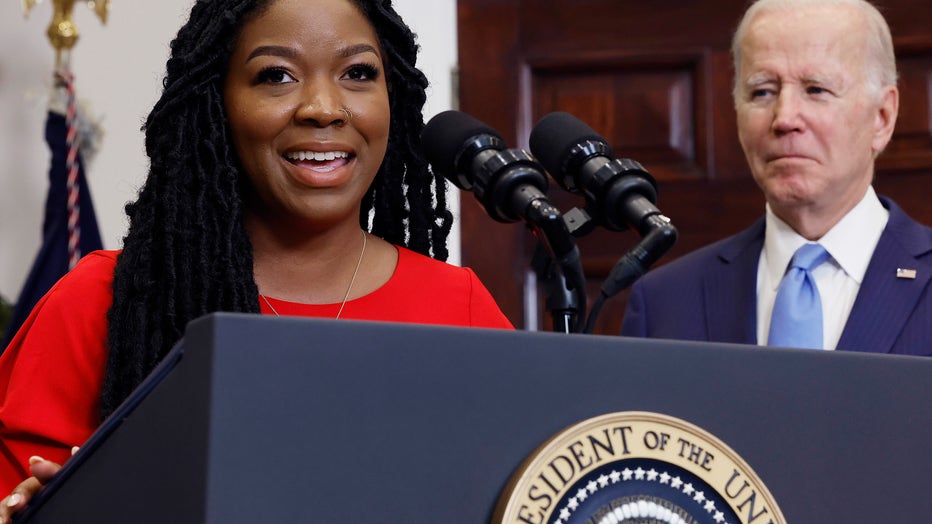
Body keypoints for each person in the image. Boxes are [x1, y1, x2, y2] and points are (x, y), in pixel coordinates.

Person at [0, 0, 512, 513]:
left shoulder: (458, 309)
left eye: (358, 73)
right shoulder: (105, 300)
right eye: (276, 75)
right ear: (217, 101)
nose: (323, 107)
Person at [621, 0, 932, 355]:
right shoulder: (665, 302)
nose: (784, 118)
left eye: (816, 90)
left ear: (882, 117)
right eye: (762, 92)